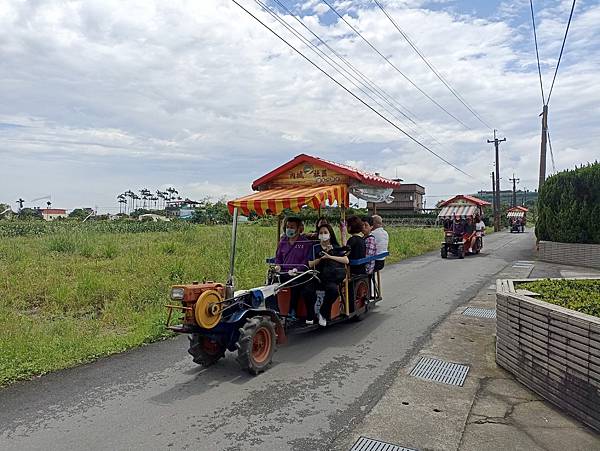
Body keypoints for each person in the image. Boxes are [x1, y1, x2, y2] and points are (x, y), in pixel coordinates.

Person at [303, 224, 348, 326]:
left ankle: (323, 313)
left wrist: (330, 256)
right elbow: (310, 264)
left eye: (325, 233)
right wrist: (320, 259)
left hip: (330, 276)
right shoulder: (315, 248)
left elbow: (346, 260)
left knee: (333, 291)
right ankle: (310, 314)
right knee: (306, 290)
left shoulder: (335, 247)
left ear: (330, 234)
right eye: (321, 233)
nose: (323, 235)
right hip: (316, 276)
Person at [275, 217, 312, 317]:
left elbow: (306, 260)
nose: (289, 229)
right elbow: (278, 257)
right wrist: (278, 266)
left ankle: (292, 311)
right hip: (283, 272)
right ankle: (274, 310)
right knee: (272, 284)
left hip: (299, 273)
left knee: (295, 284)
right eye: (287, 227)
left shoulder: (306, 243)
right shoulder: (282, 242)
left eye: (292, 227)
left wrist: (297, 269)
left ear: (299, 229)